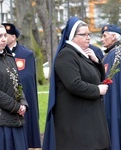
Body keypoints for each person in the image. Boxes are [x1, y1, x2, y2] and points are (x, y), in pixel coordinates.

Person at [43, 16, 110, 150]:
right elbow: (74, 84)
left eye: (89, 34)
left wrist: (96, 62)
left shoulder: (82, 55)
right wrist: (97, 90)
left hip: (87, 120)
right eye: (83, 34)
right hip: (76, 122)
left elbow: (97, 78)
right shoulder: (67, 55)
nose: (88, 37)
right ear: (72, 36)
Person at [2, 23, 41, 149]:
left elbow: (28, 80)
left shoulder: (26, 54)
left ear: (13, 37)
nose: (3, 38)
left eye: (5, 35)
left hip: (22, 100)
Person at [0, 22, 28, 149]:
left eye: (5, 35)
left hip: (15, 120)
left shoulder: (9, 58)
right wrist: (15, 107)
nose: (3, 39)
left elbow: (18, 84)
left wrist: (23, 103)